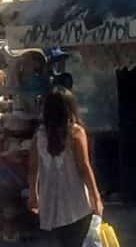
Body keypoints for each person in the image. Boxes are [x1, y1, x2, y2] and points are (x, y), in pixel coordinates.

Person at [28, 90, 103, 247]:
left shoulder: (39, 136)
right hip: (76, 202)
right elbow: (84, 167)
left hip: (50, 203)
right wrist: (95, 196)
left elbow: (33, 169)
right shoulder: (75, 133)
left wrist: (33, 194)